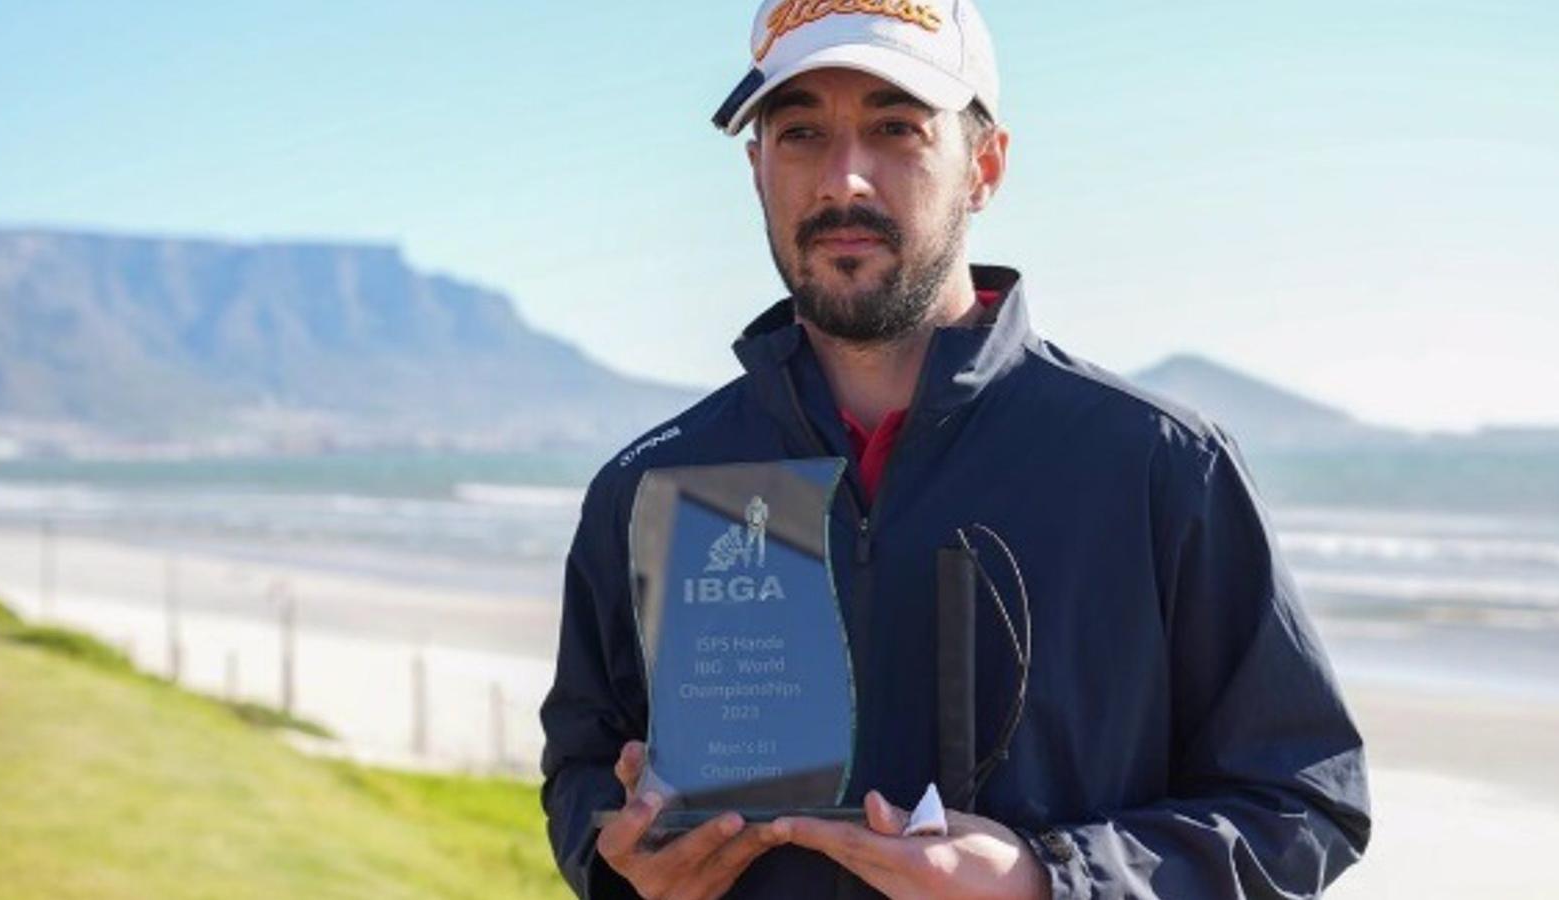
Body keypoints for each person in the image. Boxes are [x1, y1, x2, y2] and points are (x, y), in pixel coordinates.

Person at [539, 1, 1372, 897]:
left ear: (984, 166)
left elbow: (1304, 804)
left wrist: (1048, 881)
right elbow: (583, 775)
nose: (843, 180)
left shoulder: (1160, 467)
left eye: (896, 127)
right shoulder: (651, 486)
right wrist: (622, 864)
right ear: (756, 169)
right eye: (801, 133)